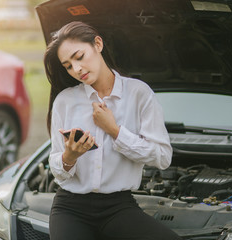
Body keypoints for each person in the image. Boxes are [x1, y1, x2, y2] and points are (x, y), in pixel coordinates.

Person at [44, 21, 182, 240]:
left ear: (98, 44)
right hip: (70, 207)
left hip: (119, 206)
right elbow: (57, 168)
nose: (76, 69)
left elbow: (162, 157)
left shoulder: (139, 93)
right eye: (68, 66)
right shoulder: (64, 101)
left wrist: (115, 131)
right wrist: (70, 157)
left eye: (79, 57)